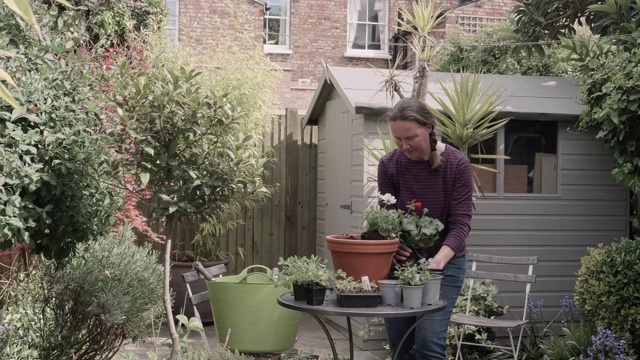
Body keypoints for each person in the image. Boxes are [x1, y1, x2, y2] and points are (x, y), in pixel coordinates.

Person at [378, 97, 474, 360]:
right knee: (400, 347)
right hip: (402, 266)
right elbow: (388, 219)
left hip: (445, 266)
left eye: (410, 137)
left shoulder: (457, 164)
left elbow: (461, 223)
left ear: (429, 128)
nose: (404, 145)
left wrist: (437, 262)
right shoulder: (389, 165)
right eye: (397, 139)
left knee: (429, 344)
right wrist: (393, 244)